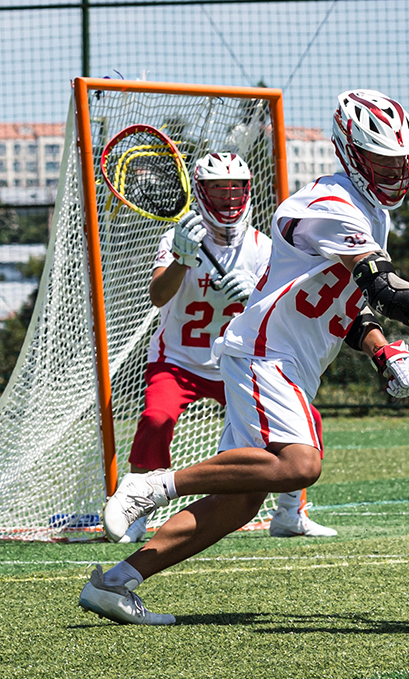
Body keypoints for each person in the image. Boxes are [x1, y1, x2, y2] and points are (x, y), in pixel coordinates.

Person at [79, 90, 409, 625]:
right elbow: (384, 287)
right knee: (300, 465)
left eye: (403, 163)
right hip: (267, 354)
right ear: (352, 154)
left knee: (241, 502)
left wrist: (383, 353)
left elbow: (349, 309)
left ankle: (116, 583)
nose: (397, 175)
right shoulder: (331, 206)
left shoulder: (371, 215)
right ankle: (152, 485)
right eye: (383, 163)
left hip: (286, 361)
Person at [117, 151, 336, 544]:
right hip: (179, 360)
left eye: (235, 187)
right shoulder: (179, 238)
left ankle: (290, 513)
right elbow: (158, 295)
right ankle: (136, 510)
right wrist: (183, 259)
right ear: (202, 191)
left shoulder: (263, 246)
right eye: (218, 188)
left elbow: (280, 310)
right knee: (156, 419)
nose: (228, 196)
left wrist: (255, 294)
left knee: (308, 422)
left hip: (237, 361)